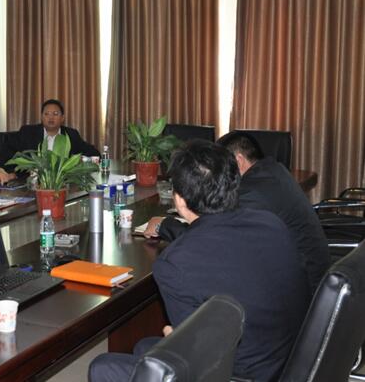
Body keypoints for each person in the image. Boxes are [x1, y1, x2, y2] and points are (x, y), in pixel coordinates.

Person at [90, 141, 310, 382]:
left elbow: (196, 360)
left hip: (243, 374)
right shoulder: (270, 222)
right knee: (144, 346)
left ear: (179, 200)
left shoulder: (174, 263)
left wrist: (175, 338)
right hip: (296, 361)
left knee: (103, 366)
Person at [144, 131, 329, 293]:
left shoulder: (253, 194)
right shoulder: (272, 170)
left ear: (238, 160)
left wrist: (164, 225)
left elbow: (210, 241)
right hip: (302, 276)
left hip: (304, 289)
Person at [14, 99, 99, 157]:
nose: (51, 118)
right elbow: (12, 152)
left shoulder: (71, 134)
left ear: (62, 118)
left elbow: (94, 153)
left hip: (63, 178)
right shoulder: (28, 132)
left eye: (55, 114)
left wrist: (79, 160)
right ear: (42, 117)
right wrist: (6, 171)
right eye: (46, 114)